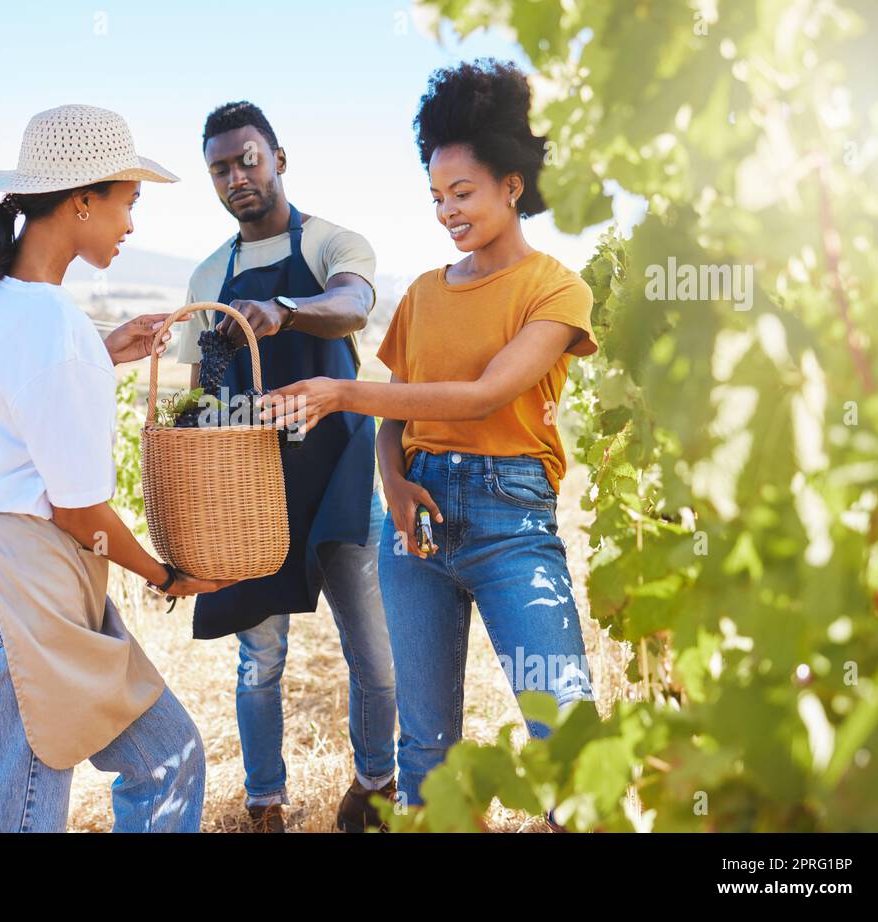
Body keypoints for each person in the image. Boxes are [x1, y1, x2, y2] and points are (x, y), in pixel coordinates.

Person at [260, 60, 598, 817]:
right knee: (426, 750)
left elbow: (482, 397)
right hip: (416, 528)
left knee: (566, 736)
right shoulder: (422, 292)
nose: (447, 211)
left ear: (513, 185)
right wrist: (393, 482)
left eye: (464, 193)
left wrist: (342, 389)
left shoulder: (556, 289)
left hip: (512, 522)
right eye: (437, 197)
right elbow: (398, 418)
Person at [0, 104, 234, 832]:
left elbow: (23, 391)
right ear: (82, 200)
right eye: (128, 203)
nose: (131, 225)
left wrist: (103, 351)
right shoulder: (52, 324)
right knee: (22, 817)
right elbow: (78, 511)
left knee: (166, 759)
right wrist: (166, 575)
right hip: (19, 578)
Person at [173, 101, 396, 833]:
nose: (236, 177)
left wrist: (286, 311)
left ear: (279, 159)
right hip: (254, 492)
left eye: (248, 160)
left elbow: (354, 306)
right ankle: (265, 801)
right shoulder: (211, 274)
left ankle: (374, 786)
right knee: (259, 663)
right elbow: (207, 390)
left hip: (341, 475)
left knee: (376, 656)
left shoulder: (335, 242)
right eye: (220, 169)